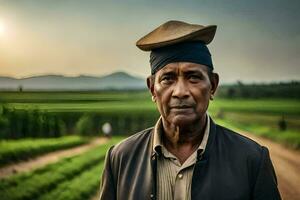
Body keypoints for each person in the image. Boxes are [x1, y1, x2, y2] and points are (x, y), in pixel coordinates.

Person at [99, 20, 281, 200]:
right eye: (168, 79)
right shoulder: (121, 158)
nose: (180, 92)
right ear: (152, 89)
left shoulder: (251, 160)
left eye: (193, 77)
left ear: (213, 86)